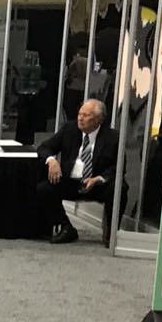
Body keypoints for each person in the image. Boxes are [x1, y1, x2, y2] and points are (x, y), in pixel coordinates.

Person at [36, 98, 118, 246]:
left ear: (99, 119)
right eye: (80, 114)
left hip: (97, 184)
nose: (80, 118)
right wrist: (52, 160)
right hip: (72, 180)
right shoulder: (69, 129)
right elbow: (44, 147)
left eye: (86, 115)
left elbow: (118, 167)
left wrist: (98, 179)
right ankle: (66, 227)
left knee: (119, 189)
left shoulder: (112, 137)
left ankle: (111, 233)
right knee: (44, 188)